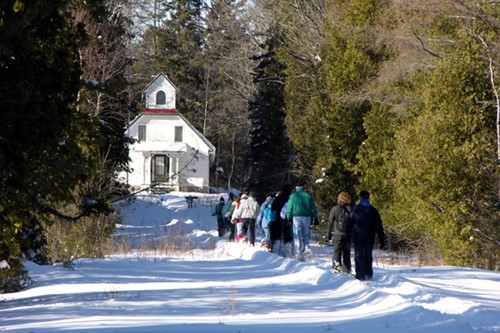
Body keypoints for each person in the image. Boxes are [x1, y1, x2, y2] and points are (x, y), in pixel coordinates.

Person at [345, 190, 386, 281]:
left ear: (360, 197)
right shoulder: (373, 210)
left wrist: (347, 236)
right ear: (368, 198)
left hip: (358, 236)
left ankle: (360, 274)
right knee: (368, 255)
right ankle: (368, 273)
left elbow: (348, 224)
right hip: (370, 237)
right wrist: (382, 239)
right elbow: (379, 226)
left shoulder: (355, 209)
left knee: (359, 255)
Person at [286, 185, 318, 261]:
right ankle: (306, 249)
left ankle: (298, 253)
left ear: (296, 188)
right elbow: (313, 207)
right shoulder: (308, 195)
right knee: (306, 234)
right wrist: (315, 217)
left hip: (296, 217)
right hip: (307, 217)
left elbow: (289, 207)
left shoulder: (293, 196)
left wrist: (288, 217)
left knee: (297, 235)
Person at [327, 192, 352, 273]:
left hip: (337, 234)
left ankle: (337, 267)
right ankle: (347, 270)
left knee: (337, 251)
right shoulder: (351, 209)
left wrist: (329, 234)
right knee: (346, 253)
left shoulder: (334, 209)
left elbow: (330, 222)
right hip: (348, 234)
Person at [270, 184, 293, 255]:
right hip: (289, 218)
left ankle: (276, 250)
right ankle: (287, 251)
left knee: (278, 234)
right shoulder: (291, 197)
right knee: (287, 233)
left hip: (278, 217)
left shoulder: (279, 197)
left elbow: (273, 207)